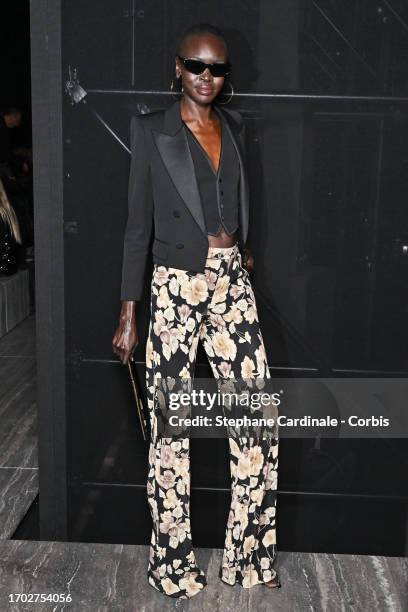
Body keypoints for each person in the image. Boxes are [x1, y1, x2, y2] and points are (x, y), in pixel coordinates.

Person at [112, 23, 280, 599]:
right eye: (197, 66)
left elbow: (233, 196)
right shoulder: (151, 130)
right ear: (177, 68)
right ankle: (174, 566)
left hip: (233, 281)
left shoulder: (234, 127)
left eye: (218, 69)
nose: (208, 77)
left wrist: (241, 246)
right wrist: (129, 312)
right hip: (175, 286)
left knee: (257, 420)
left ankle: (248, 559)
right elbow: (138, 228)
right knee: (171, 430)